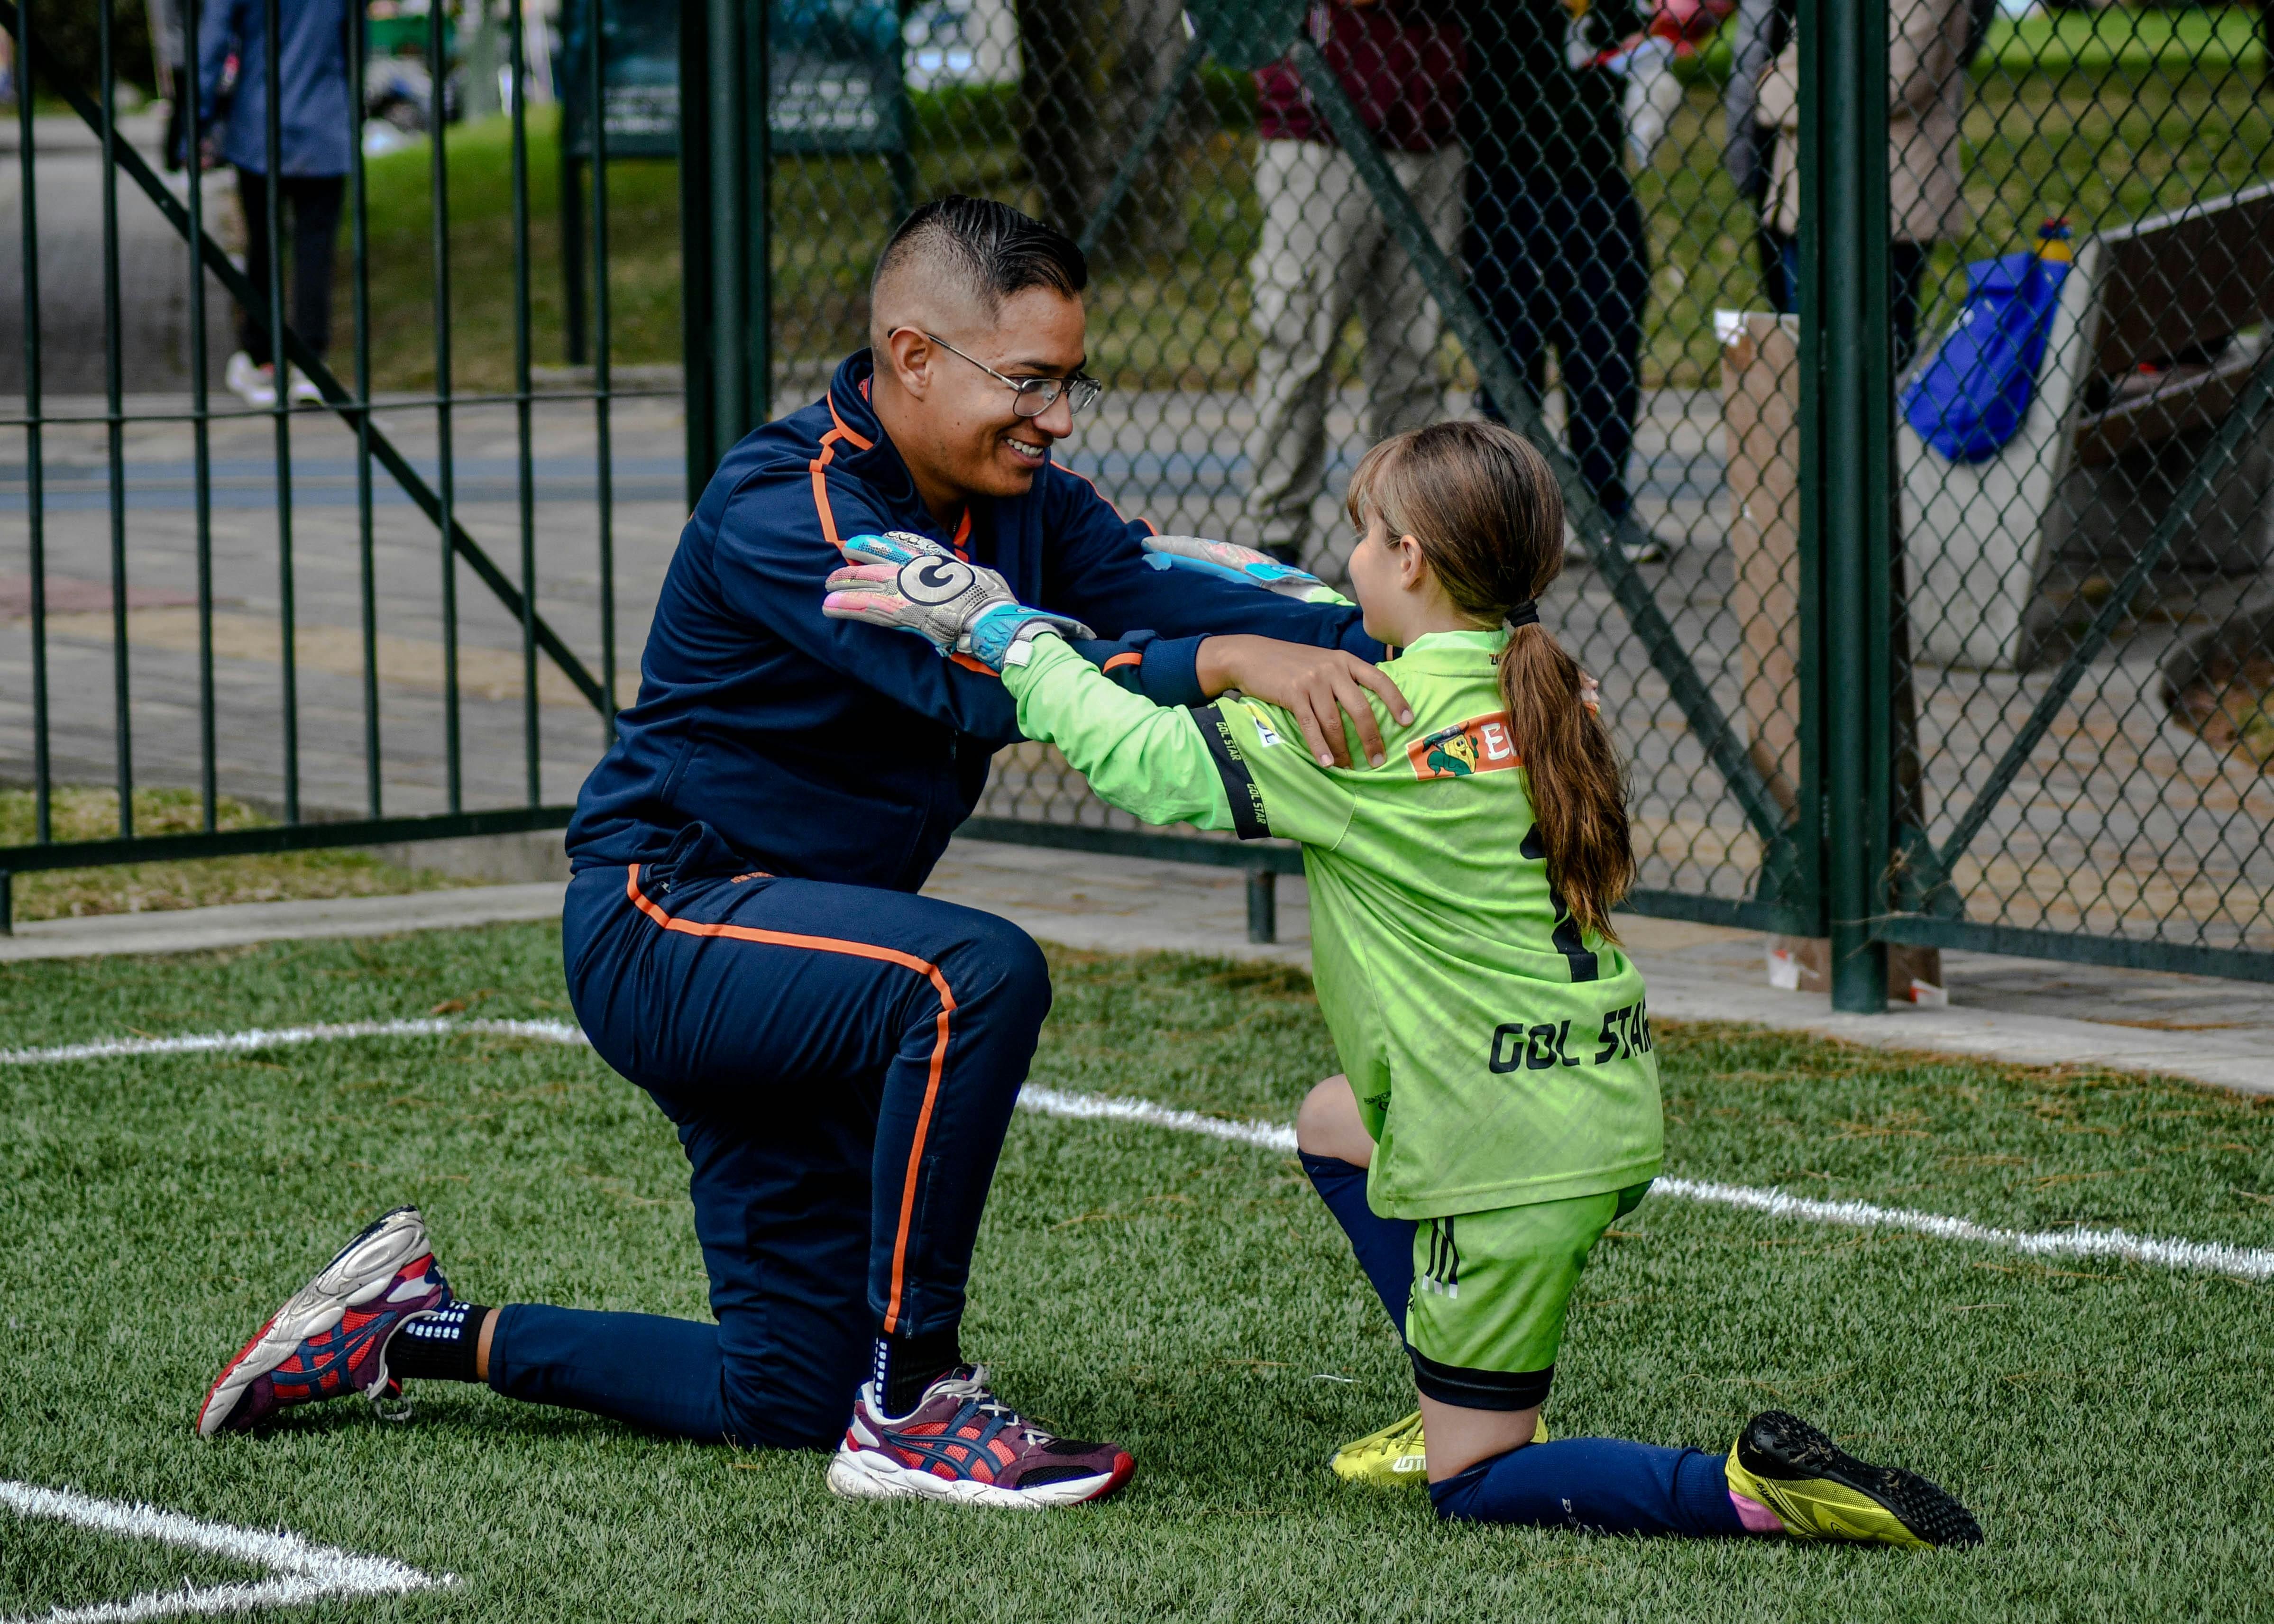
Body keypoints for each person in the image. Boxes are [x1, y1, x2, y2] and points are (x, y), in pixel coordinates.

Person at [194, 196, 1419, 1510]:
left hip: (803, 950)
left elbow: (1181, 593)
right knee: (972, 977)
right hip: (666, 921)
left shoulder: (1030, 506)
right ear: (909, 356)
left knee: (780, 1393)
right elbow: (966, 666)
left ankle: (407, 1326)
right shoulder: (788, 501)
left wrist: (1449, 655)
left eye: (1070, 382)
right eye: (1027, 382)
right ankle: (915, 1406)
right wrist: (1227, 666)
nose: (1057, 417)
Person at [823, 417, 1982, 1546]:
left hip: (1507, 1150)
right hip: (1584, 1093)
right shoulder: (1540, 683)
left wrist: (1000, 631)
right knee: (1333, 1124)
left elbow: (1150, 762)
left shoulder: (1369, 727)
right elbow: (1363, 653)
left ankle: (1747, 1490)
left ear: (1414, 562)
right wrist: (1250, 594)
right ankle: (1451, 1381)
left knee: (1477, 1482)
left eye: (1367, 541)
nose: (1350, 563)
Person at [1243, 0, 1465, 573]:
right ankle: (1275, 538)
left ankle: (1404, 531)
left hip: (1430, 124)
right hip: (1321, 130)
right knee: (1300, 343)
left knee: (1412, 353)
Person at [1463, 0, 1674, 565]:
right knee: (1511, 354)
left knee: (1606, 342)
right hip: (1505, 183)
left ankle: (1602, 501)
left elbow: (1640, 47)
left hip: (1596, 183)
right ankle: (1512, 515)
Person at [1755, 0, 1972, 370]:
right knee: (1805, 358)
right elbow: (1769, 85)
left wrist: (1789, 84)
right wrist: (1797, 82)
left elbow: (1889, 83)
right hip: (1803, 197)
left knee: (1871, 362)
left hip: (1888, 201)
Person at [197, 0, 353, 407]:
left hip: (259, 123)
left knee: (263, 245)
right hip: (324, 122)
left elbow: (212, 42)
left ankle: (262, 359)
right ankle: (310, 363)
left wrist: (196, 118)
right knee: (315, 247)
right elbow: (354, 42)